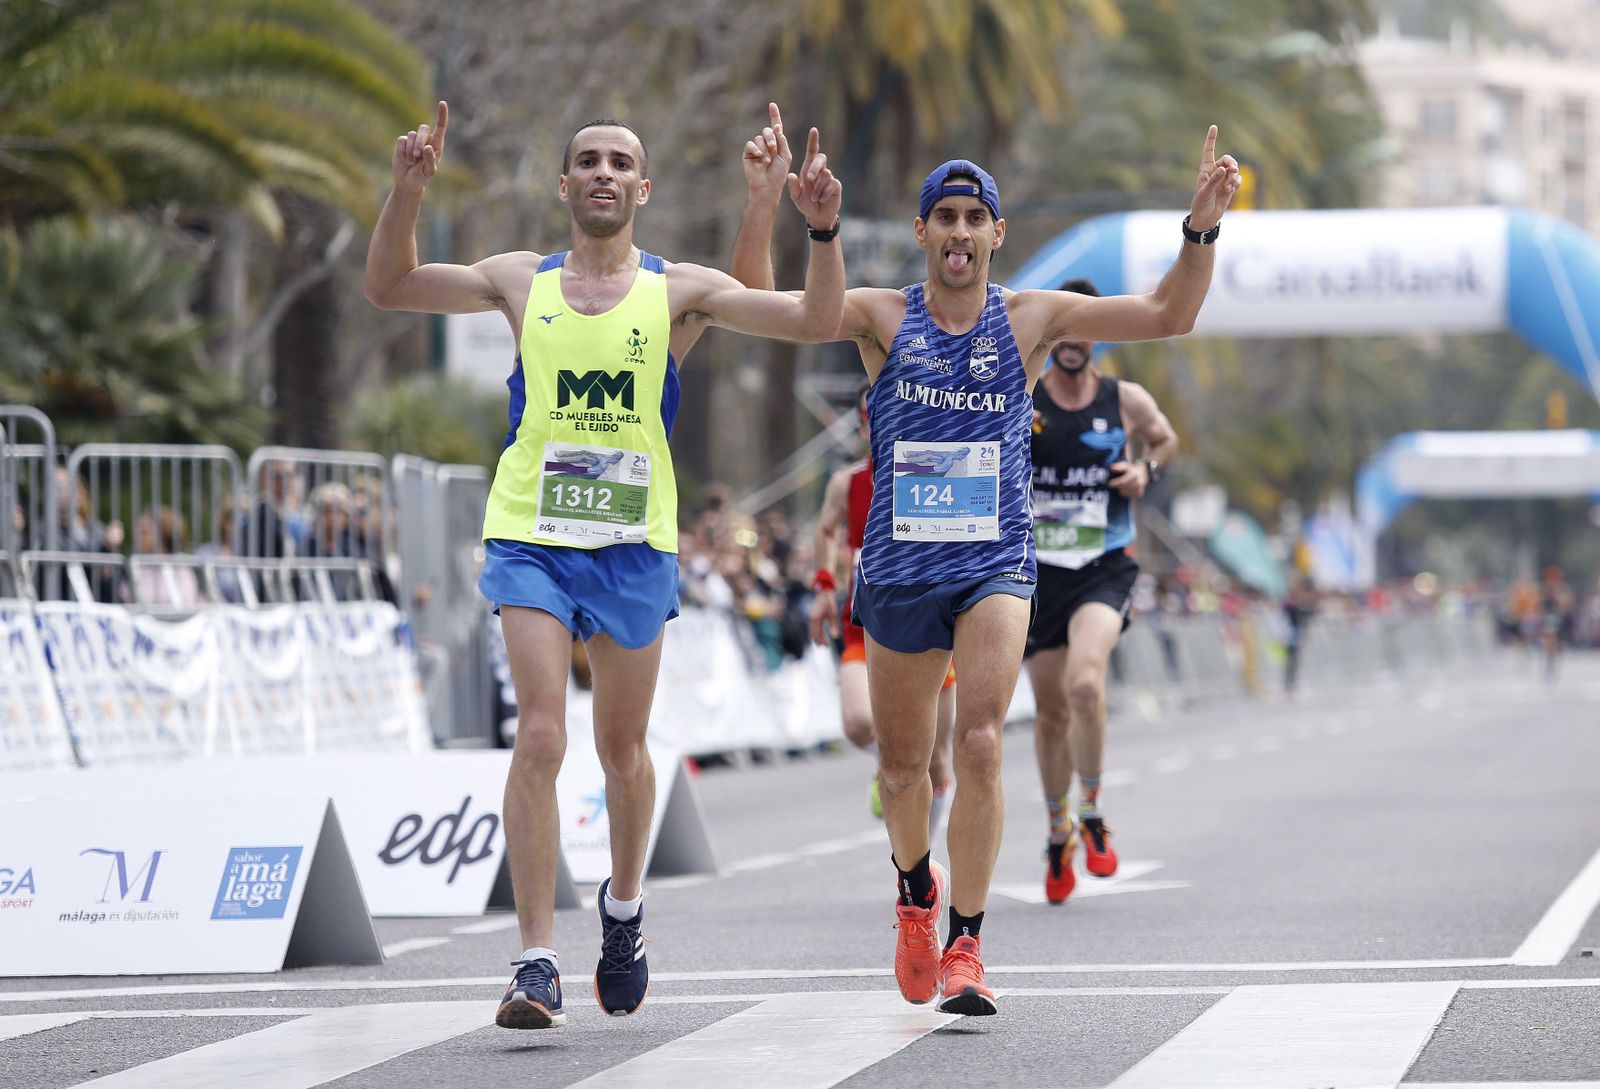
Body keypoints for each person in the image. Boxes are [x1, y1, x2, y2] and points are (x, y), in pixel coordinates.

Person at [733, 108, 1238, 1015]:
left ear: (998, 235)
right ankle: (916, 895)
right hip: (896, 568)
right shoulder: (882, 315)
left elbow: (1171, 312)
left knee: (978, 740)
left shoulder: (1031, 318)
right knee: (901, 765)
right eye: (946, 217)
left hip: (996, 561)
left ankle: (967, 940)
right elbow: (777, 313)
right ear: (924, 231)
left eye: (976, 219)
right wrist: (799, 219)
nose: (960, 233)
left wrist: (1200, 225)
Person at [365, 100, 845, 1031]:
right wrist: (406, 193)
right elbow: (389, 286)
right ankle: (534, 961)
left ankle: (622, 911)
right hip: (532, 535)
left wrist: (797, 219)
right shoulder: (518, 279)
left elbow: (807, 321)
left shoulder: (673, 290)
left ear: (641, 188)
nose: (601, 173)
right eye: (585, 159)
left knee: (620, 750)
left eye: (619, 162)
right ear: (564, 185)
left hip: (632, 544)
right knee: (541, 735)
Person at [1020, 278, 1177, 905]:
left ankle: (1092, 810)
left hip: (1104, 565)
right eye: (1065, 331)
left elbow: (1164, 440)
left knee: (1086, 684)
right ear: (1054, 335)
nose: (1074, 343)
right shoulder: (1024, 394)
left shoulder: (1124, 399)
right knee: (1052, 710)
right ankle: (1058, 830)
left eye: (1087, 332)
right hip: (1036, 574)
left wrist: (1146, 470)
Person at [806, 381, 956, 834]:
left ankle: (924, 859)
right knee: (856, 722)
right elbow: (827, 530)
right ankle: (888, 756)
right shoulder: (847, 481)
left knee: (937, 756)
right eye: (870, 417)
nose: (878, 425)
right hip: (863, 624)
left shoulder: (930, 469)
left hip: (928, 622)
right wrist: (824, 585)